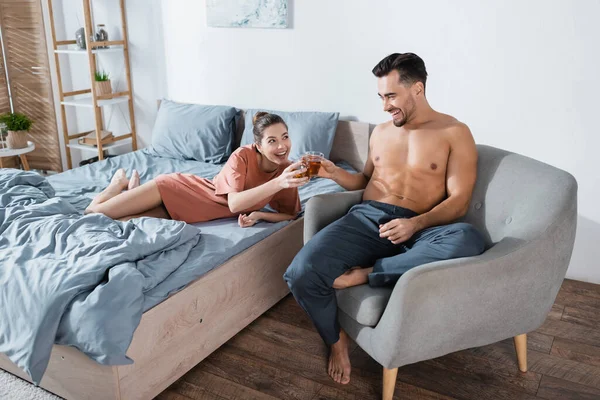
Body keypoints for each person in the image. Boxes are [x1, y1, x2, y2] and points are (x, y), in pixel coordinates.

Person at [284, 53, 486, 384]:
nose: (384, 106)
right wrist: (334, 173)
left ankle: (368, 273)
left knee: (469, 237)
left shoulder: (454, 132)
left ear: (417, 89)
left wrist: (416, 224)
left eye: (391, 96)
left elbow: (460, 201)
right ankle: (336, 342)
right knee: (300, 273)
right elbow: (365, 182)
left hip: (422, 226)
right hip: (367, 220)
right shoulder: (379, 132)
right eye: (380, 96)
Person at [85, 112, 308, 227]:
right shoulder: (243, 155)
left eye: (285, 137)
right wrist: (278, 183)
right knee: (94, 215)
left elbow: (289, 215)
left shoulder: (286, 171)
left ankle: (131, 190)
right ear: (258, 145)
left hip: (189, 212)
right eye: (272, 141)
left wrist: (259, 215)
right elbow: (234, 203)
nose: (281, 146)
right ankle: (118, 185)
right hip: (177, 189)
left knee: (121, 222)